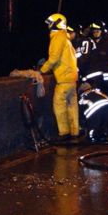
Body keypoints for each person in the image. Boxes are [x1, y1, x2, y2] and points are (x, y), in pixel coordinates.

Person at [39, 13, 79, 142]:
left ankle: (64, 132)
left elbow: (53, 58)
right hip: (72, 79)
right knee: (72, 106)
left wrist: (41, 70)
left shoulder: (58, 38)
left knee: (59, 106)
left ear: (57, 24)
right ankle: (75, 132)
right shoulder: (66, 38)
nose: (49, 26)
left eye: (50, 23)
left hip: (63, 80)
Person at [83, 20, 108, 99]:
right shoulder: (89, 42)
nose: (95, 33)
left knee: (107, 94)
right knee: (95, 95)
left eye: (97, 31)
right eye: (94, 32)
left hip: (107, 75)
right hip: (94, 76)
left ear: (102, 31)